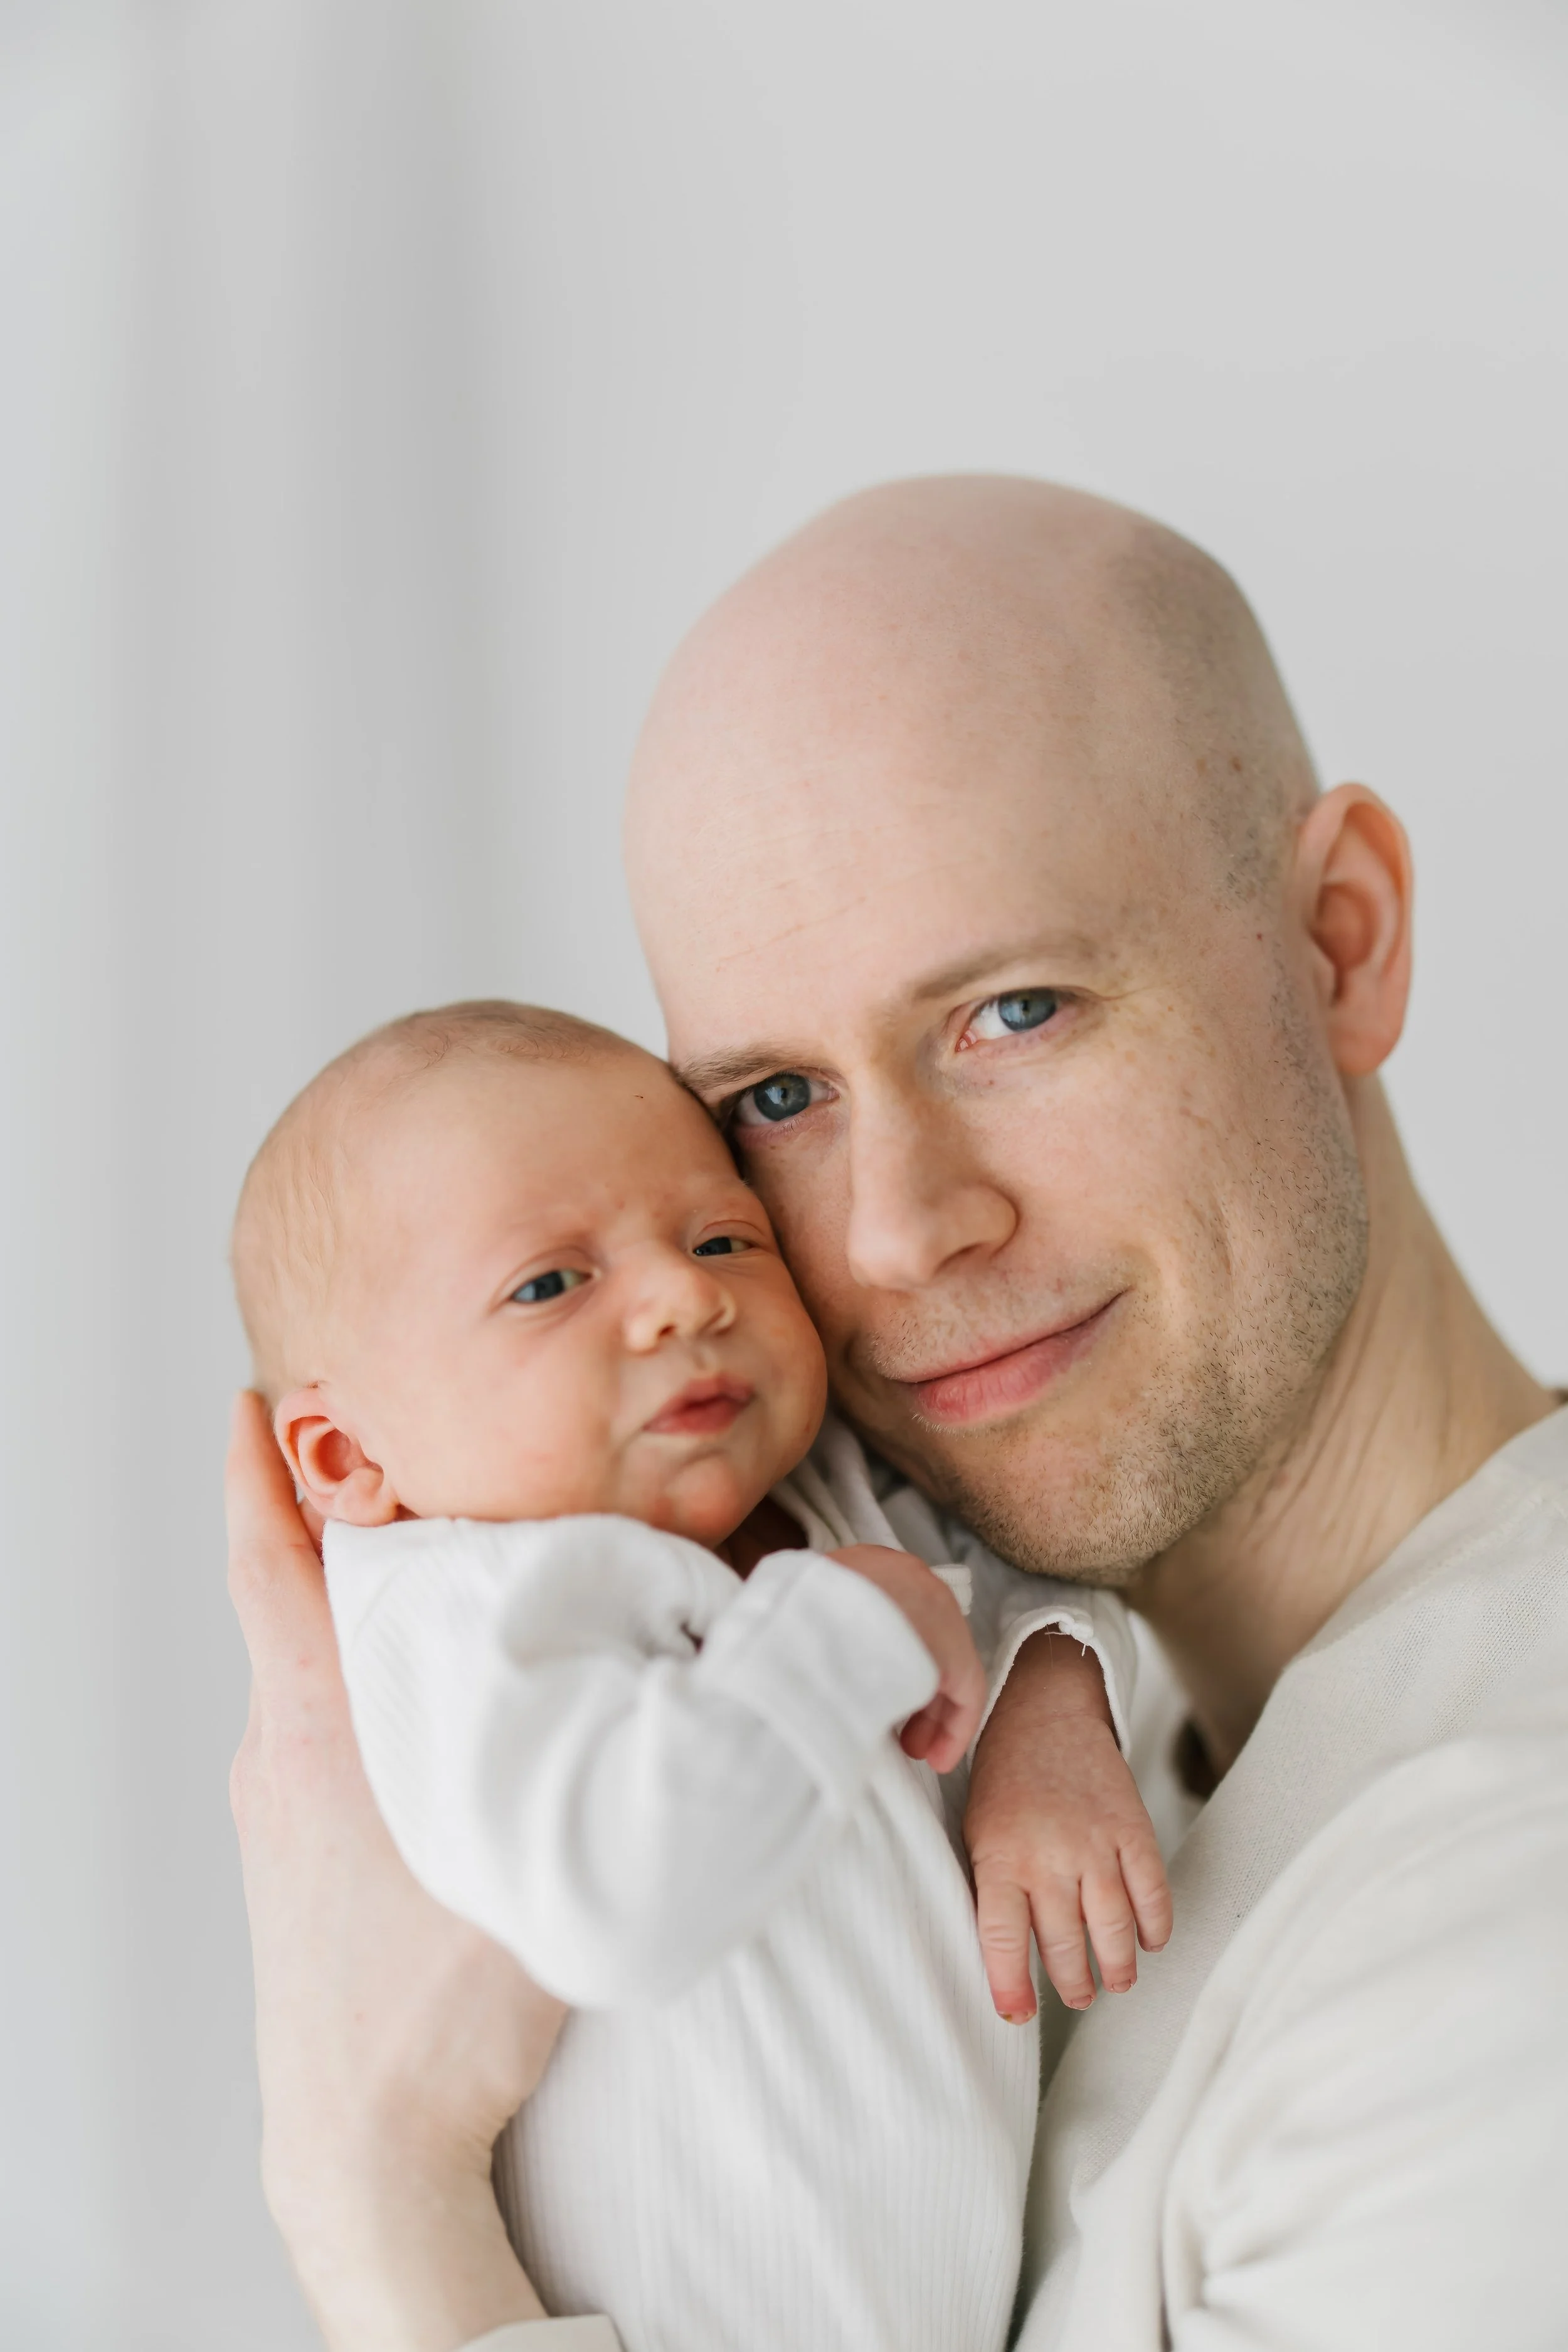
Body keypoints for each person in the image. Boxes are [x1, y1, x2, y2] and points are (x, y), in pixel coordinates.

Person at [227, 476, 1568, 2352]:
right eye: (773, 1098)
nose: (893, 1230)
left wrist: (370, 2183)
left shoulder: (1503, 1932)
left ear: (1337, 942)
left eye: (1012, 1012)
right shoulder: (1020, 1688)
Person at [227, 997, 1165, 2352]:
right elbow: (620, 1903)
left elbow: (1016, 1577)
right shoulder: (458, 1607)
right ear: (341, 1461)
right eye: (549, 1284)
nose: (686, 1296)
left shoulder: (819, 1484)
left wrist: (1051, 1705)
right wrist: (847, 1624)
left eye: (724, 1237)